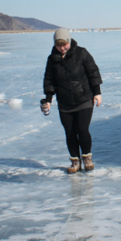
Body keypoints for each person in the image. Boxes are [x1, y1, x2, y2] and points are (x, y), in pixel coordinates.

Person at [41, 28, 103, 174]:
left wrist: (97, 93)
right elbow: (49, 80)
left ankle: (87, 157)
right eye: (59, 45)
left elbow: (93, 72)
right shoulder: (52, 59)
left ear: (69, 41)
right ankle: (75, 161)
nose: (62, 48)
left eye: (65, 44)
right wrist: (49, 99)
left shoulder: (81, 53)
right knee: (70, 133)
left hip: (84, 99)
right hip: (65, 102)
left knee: (82, 130)